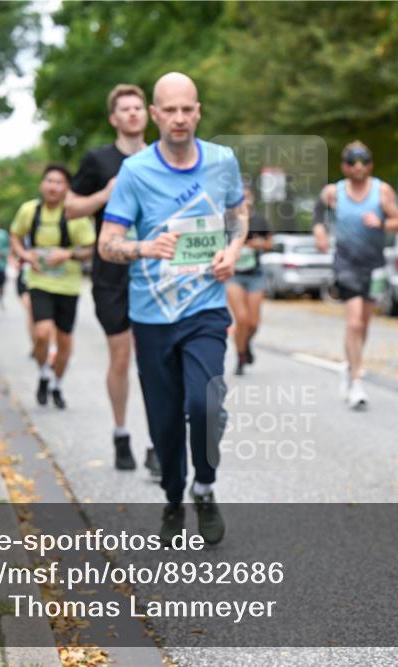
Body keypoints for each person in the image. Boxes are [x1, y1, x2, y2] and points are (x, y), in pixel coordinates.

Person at [99, 72, 247, 545]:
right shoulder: (136, 172)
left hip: (205, 307)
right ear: (156, 115)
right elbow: (107, 244)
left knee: (204, 403)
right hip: (152, 314)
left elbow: (238, 214)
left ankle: (204, 486)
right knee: (164, 420)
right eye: (170, 110)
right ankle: (172, 498)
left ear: (198, 111)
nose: (180, 118)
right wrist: (146, 247)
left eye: (188, 109)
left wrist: (234, 250)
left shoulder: (222, 161)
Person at [69, 83, 159, 476]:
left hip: (155, 270)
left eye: (139, 107)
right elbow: (70, 208)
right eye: (125, 108)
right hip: (112, 273)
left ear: (148, 113)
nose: (133, 113)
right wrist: (105, 194)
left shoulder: (162, 158)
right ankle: (122, 433)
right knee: (121, 357)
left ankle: (158, 442)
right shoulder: (98, 159)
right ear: (114, 118)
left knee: (154, 360)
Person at [313, 141, 398, 409]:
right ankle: (355, 379)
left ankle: (350, 365)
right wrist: (319, 231)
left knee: (363, 324)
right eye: (352, 162)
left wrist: (382, 223)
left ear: (370, 165)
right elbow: (318, 213)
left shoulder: (382, 191)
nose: (358, 166)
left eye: (363, 161)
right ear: (344, 167)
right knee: (353, 322)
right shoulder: (334, 192)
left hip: (373, 265)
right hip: (346, 263)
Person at [9, 164, 97, 411]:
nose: (53, 186)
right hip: (39, 282)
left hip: (68, 286)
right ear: (41, 184)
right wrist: (24, 255)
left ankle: (56, 383)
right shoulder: (29, 211)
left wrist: (67, 254)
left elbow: (90, 248)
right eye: (49, 180)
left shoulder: (75, 216)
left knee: (65, 341)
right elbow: (14, 235)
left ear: (67, 188)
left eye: (59, 182)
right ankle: (44, 372)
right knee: (42, 333)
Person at [227, 185, 272, 375]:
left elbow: (270, 242)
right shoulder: (227, 220)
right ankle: (240, 357)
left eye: (247, 196)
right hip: (234, 275)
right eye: (240, 196)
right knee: (242, 319)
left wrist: (257, 243)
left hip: (255, 274)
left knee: (253, 323)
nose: (244, 200)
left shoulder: (259, 220)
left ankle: (245, 343)